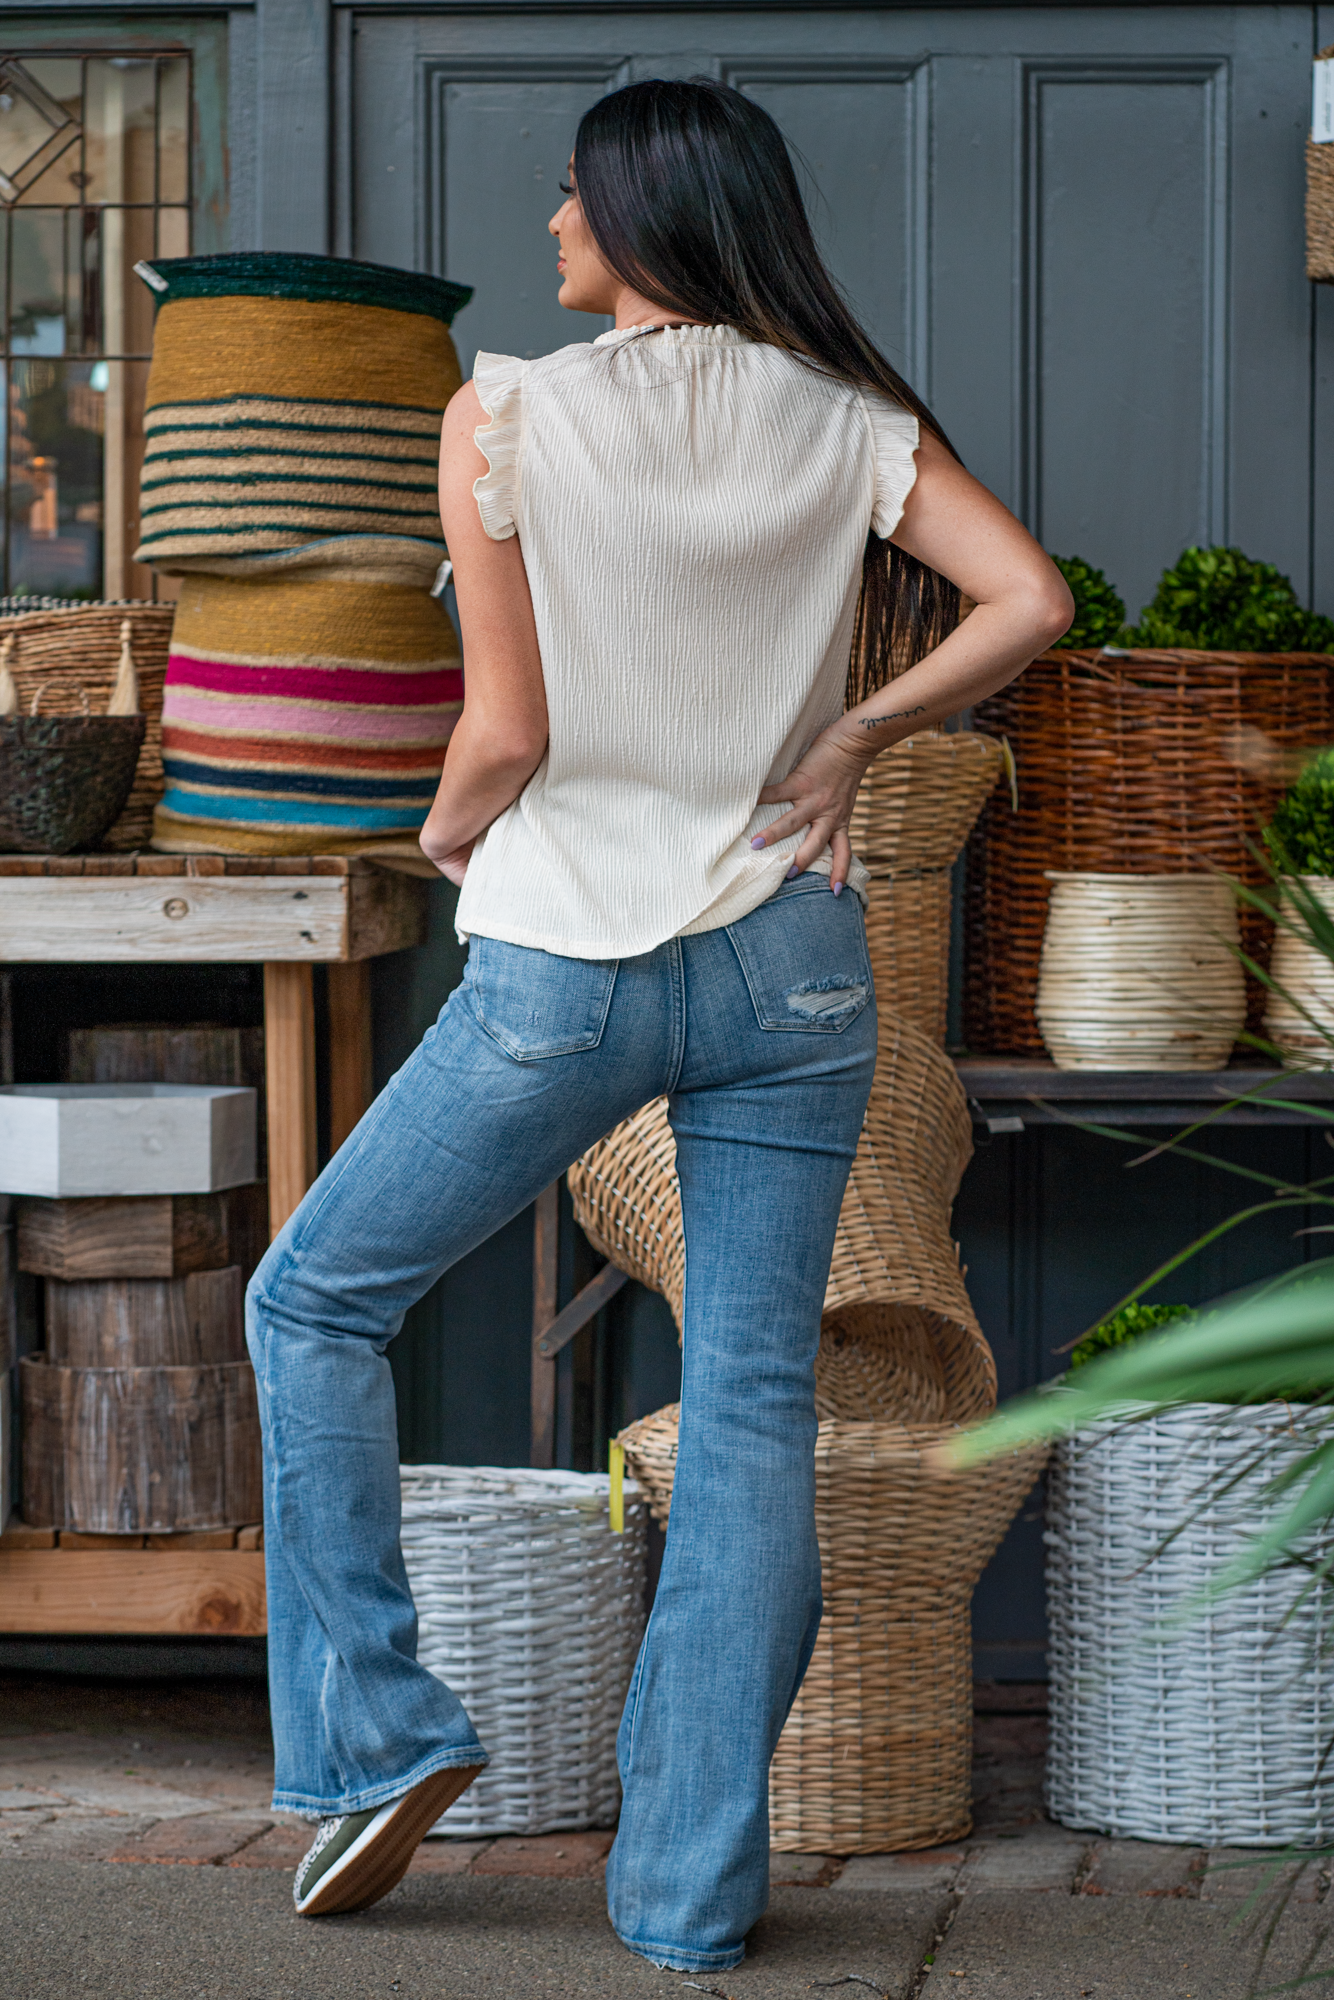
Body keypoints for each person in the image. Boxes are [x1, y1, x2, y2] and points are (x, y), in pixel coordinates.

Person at [246, 76, 1071, 1973]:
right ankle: (690, 1901)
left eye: (568, 195)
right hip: (797, 967)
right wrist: (855, 734)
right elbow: (1026, 597)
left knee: (313, 1303)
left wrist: (442, 836)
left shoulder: (508, 413)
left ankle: (380, 1736)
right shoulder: (849, 421)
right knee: (754, 1404)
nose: (550, 225)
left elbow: (507, 733)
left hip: (567, 965)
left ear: (637, 216)